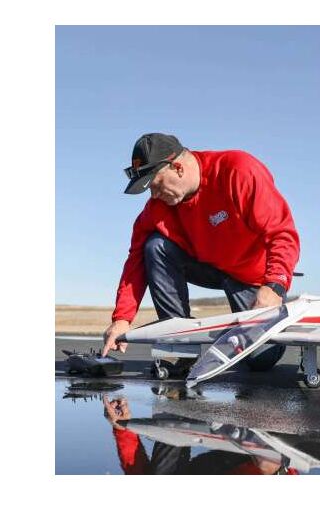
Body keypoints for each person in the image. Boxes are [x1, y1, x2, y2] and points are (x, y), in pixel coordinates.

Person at [101, 133, 300, 371]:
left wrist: (274, 286)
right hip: (209, 266)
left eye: (156, 185)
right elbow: (136, 261)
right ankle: (179, 342)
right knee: (155, 246)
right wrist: (122, 319)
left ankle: (261, 331)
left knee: (260, 360)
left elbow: (282, 233)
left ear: (177, 168)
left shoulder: (238, 171)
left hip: (251, 277)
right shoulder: (157, 208)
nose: (154, 195)